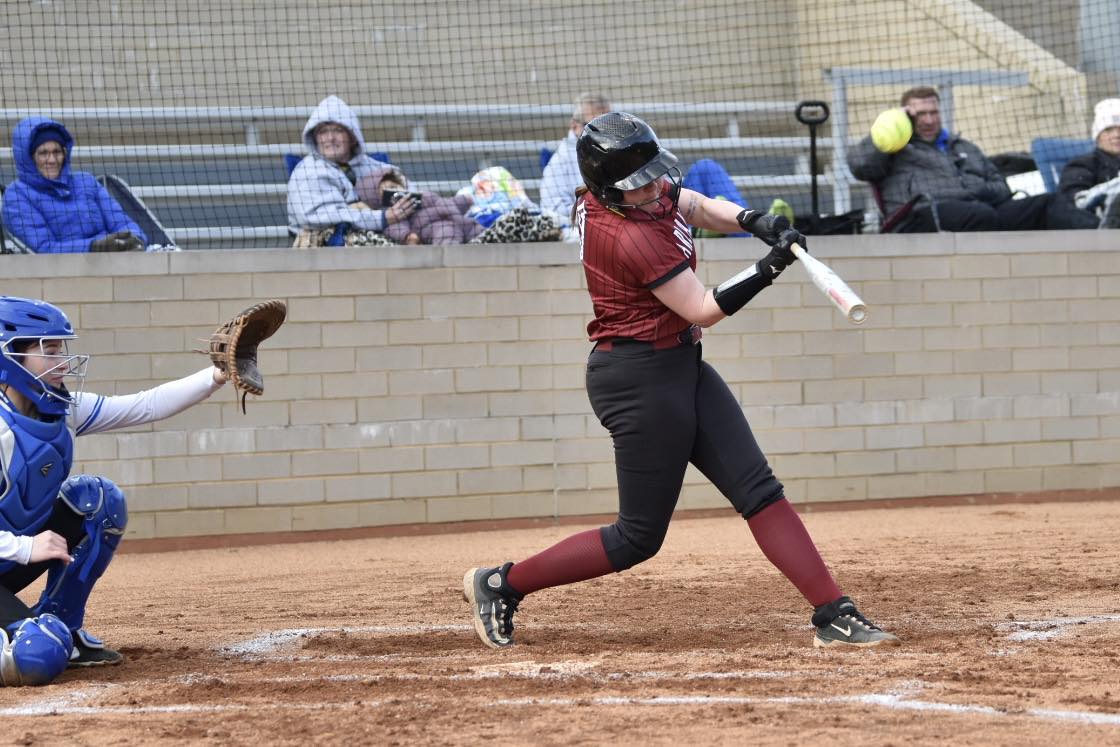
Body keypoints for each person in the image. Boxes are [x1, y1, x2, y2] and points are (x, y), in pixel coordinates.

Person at [463, 112, 899, 652]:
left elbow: (688, 202)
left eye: (652, 176)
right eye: (638, 184)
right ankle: (502, 583)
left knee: (760, 491)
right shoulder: (627, 235)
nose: (652, 189)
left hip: (681, 364)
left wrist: (752, 218)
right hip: (637, 381)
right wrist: (768, 268)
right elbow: (701, 306)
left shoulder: (638, 190)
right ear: (609, 188)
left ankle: (834, 612)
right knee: (636, 539)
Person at [0, 296, 231, 686]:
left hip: (8, 560)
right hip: (14, 551)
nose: (62, 361)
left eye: (61, 348)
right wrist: (24, 548)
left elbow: (146, 406)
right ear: (9, 357)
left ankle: (65, 629)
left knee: (97, 500)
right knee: (36, 657)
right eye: (48, 350)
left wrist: (217, 375)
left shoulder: (61, 409)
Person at [848, 86, 1098, 232]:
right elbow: (860, 165)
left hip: (983, 210)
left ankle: (1104, 233)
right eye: (920, 114)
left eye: (933, 112)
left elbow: (1001, 186)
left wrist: (978, 192)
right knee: (980, 214)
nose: (928, 120)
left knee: (1047, 203)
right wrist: (892, 125)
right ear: (908, 116)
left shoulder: (965, 147)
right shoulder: (894, 150)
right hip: (920, 216)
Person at [2, 117, 147, 254]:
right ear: (28, 158)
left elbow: (123, 223)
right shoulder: (16, 197)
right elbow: (46, 249)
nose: (52, 160)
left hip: (112, 263)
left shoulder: (86, 182)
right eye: (43, 153)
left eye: (57, 152)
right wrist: (95, 246)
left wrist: (136, 239)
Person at [286, 95, 418, 247]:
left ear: (353, 137)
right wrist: (383, 218)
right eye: (323, 132)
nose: (330, 138)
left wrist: (405, 202)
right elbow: (324, 217)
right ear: (315, 138)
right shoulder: (307, 170)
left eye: (338, 131)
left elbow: (409, 189)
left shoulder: (372, 166)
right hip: (323, 245)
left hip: (374, 233)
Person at [539, 93, 611, 241]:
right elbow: (553, 212)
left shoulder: (613, 152)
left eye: (608, 125)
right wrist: (598, 216)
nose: (602, 133)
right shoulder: (560, 162)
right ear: (575, 125)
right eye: (594, 127)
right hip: (577, 234)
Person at [355, 163, 482, 245]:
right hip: (433, 228)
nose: (395, 192)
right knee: (447, 232)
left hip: (462, 222)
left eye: (395, 186)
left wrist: (464, 200)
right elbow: (395, 227)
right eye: (387, 191)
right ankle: (452, 264)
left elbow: (446, 202)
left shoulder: (422, 195)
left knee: (479, 229)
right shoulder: (395, 213)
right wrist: (408, 236)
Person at [1058, 98, 1120, 229]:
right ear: (1098, 136)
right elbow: (1073, 202)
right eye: (1108, 130)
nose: (1116, 135)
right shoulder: (1082, 164)